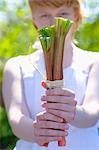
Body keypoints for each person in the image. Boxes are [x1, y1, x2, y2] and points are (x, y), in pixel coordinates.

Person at [2, 0, 99, 149]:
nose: (54, 22)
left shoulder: (94, 62)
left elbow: (92, 113)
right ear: (34, 20)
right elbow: (16, 118)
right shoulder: (17, 66)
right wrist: (36, 131)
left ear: (76, 16)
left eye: (63, 14)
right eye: (44, 15)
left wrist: (74, 112)